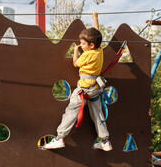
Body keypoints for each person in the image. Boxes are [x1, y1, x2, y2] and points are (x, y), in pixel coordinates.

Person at [43, 12, 112, 151]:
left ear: (91, 45)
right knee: (98, 114)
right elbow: (97, 33)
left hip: (84, 88)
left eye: (82, 43)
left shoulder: (87, 55)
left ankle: (59, 138)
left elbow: (75, 63)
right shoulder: (99, 50)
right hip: (96, 88)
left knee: (71, 110)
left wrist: (75, 50)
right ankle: (105, 141)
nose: (81, 45)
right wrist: (95, 19)